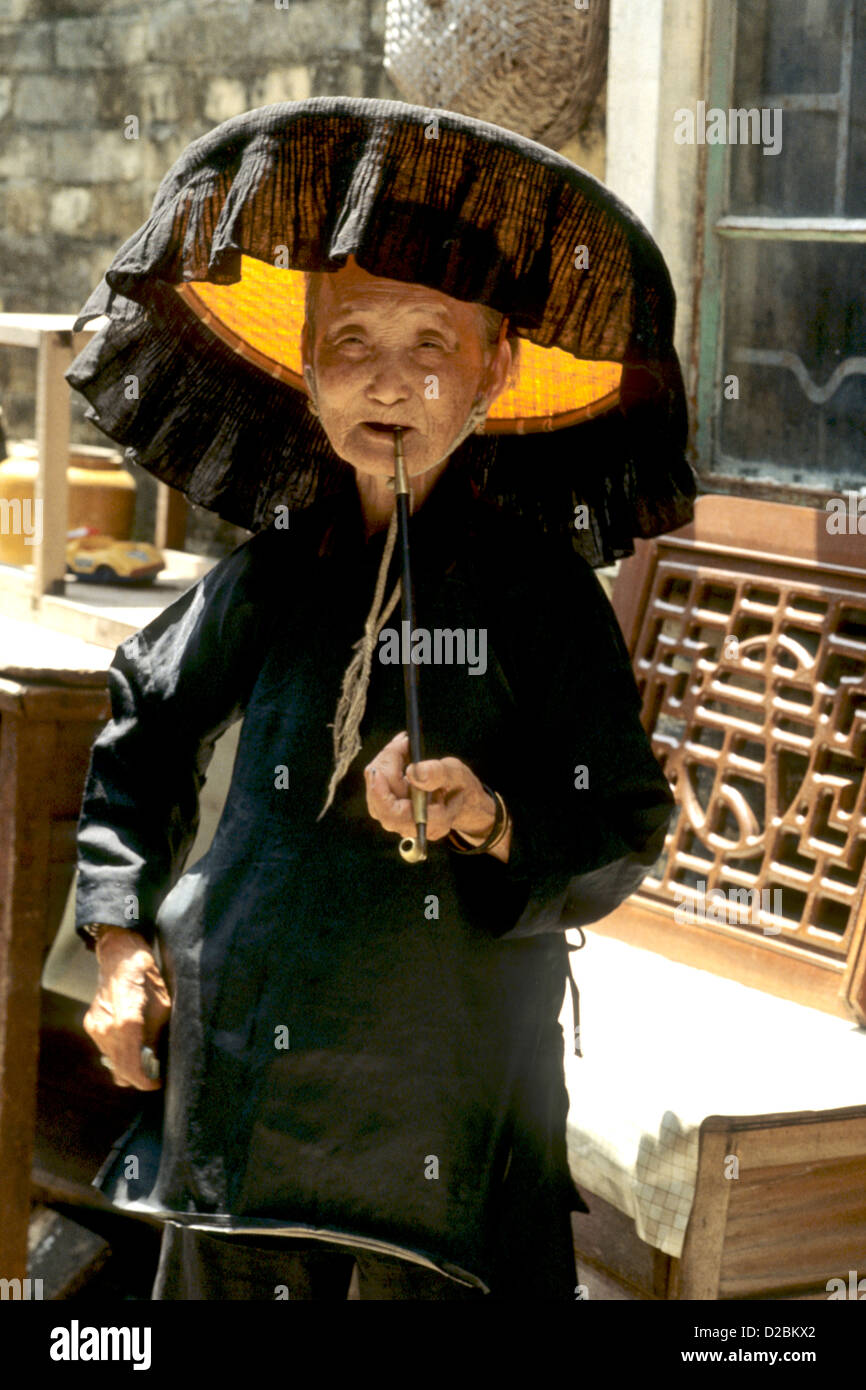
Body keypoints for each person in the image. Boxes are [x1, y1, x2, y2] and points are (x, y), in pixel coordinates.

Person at [75, 252, 675, 1300]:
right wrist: (122, 943)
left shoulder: (541, 596)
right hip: (246, 1067)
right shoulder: (275, 568)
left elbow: (617, 818)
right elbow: (148, 714)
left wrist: (490, 820)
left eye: (430, 346)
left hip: (445, 1074)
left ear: (494, 368)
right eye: (351, 343)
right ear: (306, 367)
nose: (387, 381)